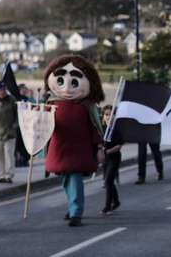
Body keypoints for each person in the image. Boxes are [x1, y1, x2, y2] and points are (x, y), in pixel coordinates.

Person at [43, 55, 105, 227]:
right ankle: (72, 208)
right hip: (60, 149)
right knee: (65, 180)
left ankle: (76, 212)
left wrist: (99, 147)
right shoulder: (50, 104)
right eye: (61, 81)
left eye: (75, 83)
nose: (67, 88)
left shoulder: (87, 106)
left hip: (79, 150)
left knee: (75, 180)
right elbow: (41, 125)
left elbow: (95, 127)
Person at [100, 105, 122, 215]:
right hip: (105, 159)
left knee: (108, 181)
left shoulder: (117, 129)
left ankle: (107, 207)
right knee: (108, 181)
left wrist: (107, 151)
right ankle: (116, 201)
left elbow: (118, 146)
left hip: (114, 158)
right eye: (106, 114)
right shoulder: (102, 129)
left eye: (111, 114)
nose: (109, 116)